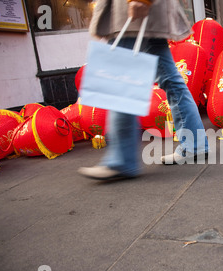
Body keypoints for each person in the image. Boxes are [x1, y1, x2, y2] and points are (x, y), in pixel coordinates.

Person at [78, 0, 209, 180]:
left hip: (133, 9)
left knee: (122, 81)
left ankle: (121, 160)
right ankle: (195, 145)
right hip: (151, 12)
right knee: (170, 79)